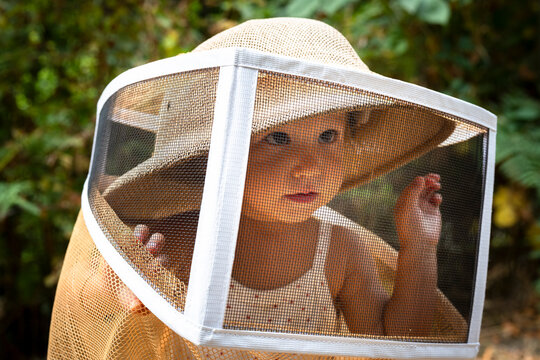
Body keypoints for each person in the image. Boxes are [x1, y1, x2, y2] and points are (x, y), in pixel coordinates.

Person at [102, 109, 443, 337]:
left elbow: (394, 339)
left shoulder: (340, 250)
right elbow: (90, 286)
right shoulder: (182, 237)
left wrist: (420, 246)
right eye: (277, 138)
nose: (310, 167)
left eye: (327, 136)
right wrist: (123, 283)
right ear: (215, 152)